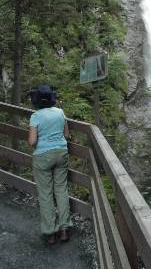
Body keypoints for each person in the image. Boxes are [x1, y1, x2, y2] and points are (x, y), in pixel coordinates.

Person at [28, 84, 72, 245]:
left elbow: (32, 141)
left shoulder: (36, 116)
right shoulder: (60, 112)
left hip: (43, 157)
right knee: (61, 190)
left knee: (45, 194)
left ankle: (51, 232)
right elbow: (66, 134)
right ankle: (65, 229)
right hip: (61, 153)